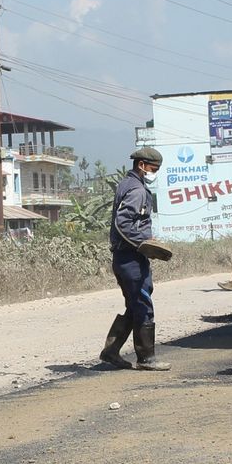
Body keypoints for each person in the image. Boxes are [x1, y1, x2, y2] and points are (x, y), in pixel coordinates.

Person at [100, 146, 170, 371]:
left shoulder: (126, 184)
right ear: (141, 165)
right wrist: (143, 243)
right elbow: (124, 223)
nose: (155, 172)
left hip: (124, 257)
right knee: (143, 304)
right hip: (130, 258)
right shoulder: (137, 190)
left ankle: (111, 351)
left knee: (134, 304)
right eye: (153, 168)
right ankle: (146, 358)